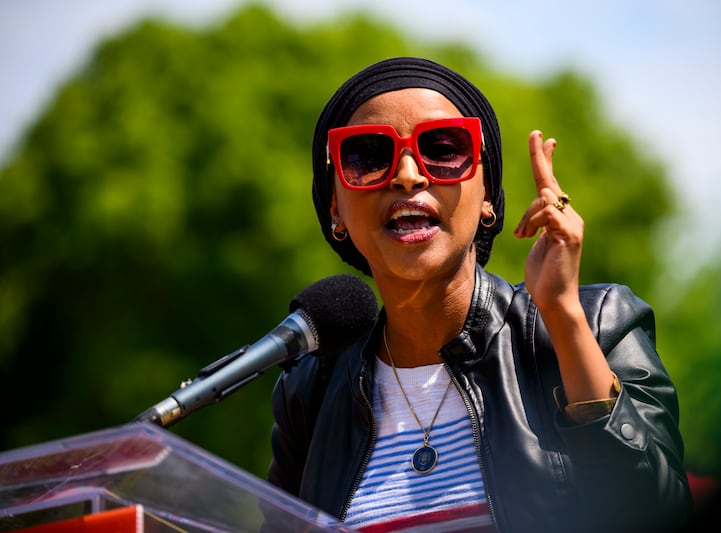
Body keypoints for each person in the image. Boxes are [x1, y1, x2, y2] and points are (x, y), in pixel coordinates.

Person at [267, 56, 692, 533]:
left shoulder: (597, 324)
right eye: (368, 157)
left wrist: (563, 317)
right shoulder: (313, 388)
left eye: (443, 149)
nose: (408, 175)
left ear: (488, 192)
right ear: (334, 209)